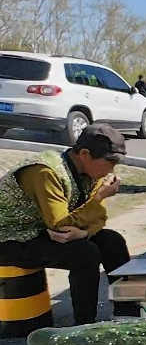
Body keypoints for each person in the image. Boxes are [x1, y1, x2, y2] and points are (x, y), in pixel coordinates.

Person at [0, 124, 130, 325]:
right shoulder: (45, 171)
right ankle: (84, 326)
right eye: (110, 162)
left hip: (39, 232)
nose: (112, 169)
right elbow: (60, 225)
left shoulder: (90, 173)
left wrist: (83, 233)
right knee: (84, 254)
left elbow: (98, 218)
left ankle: (127, 312)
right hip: (9, 238)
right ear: (85, 154)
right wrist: (99, 199)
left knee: (112, 241)